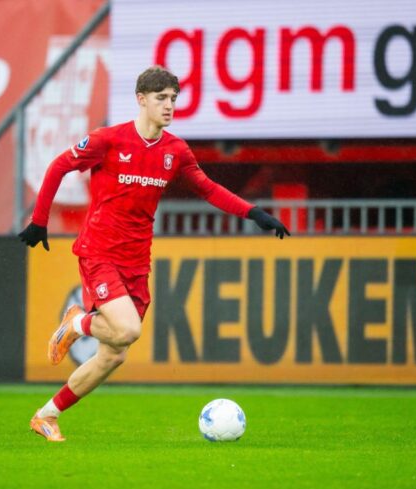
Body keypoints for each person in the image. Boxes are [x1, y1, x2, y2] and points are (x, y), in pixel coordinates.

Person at [19, 66, 289, 442]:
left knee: (115, 354)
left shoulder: (175, 151)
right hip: (99, 250)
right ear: (141, 100)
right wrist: (39, 220)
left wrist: (254, 213)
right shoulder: (108, 140)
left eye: (174, 99)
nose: (169, 106)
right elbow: (60, 165)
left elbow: (208, 189)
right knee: (128, 328)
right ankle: (76, 325)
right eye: (161, 98)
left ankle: (46, 415)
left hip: (136, 260)